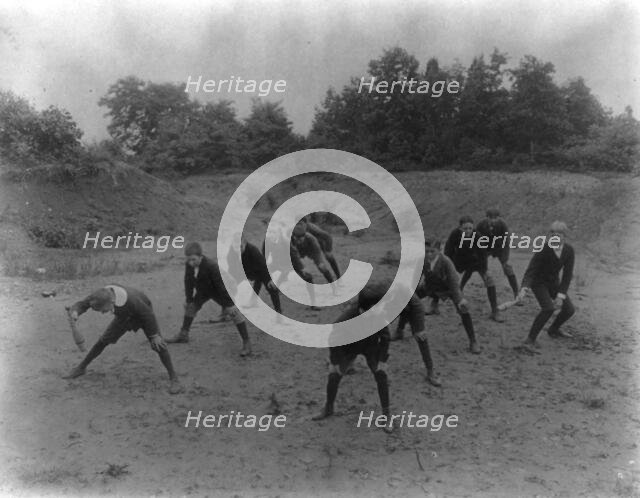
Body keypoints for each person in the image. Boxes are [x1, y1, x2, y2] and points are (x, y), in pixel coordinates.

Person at [62, 284, 183, 394]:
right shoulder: (100, 295)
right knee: (103, 341)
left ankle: (174, 378)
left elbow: (148, 315)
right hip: (123, 317)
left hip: (143, 317)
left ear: (112, 301)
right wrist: (75, 311)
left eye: (104, 310)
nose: (103, 313)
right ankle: (81, 368)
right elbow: (83, 304)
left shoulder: (132, 300)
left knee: (158, 345)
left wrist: (155, 335)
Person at [312, 284, 392, 431]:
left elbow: (386, 337)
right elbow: (334, 339)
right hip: (349, 347)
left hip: (371, 346)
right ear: (363, 309)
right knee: (334, 375)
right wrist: (335, 362)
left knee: (381, 375)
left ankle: (386, 416)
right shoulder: (344, 320)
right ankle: (329, 408)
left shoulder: (379, 313)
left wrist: (382, 361)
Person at [166, 242, 252, 356]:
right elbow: (188, 281)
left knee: (234, 312)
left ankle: (247, 342)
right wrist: (189, 300)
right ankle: (183, 334)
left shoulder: (212, 267)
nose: (191, 263)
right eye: (189, 260)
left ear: (201, 257)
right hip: (204, 288)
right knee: (191, 307)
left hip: (223, 288)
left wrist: (229, 304)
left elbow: (222, 287)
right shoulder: (189, 264)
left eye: (193, 259)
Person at [395, 238, 480, 354]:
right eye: (427, 251)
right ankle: (400, 331)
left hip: (448, 288)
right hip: (431, 287)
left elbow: (454, 283)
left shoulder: (446, 262)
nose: (429, 254)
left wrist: (460, 300)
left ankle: (473, 340)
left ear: (439, 251)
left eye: (432, 251)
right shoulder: (422, 260)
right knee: (408, 300)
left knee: (463, 309)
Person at [519, 221, 575, 351]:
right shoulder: (543, 248)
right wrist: (524, 288)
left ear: (565, 236)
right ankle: (530, 339)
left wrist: (560, 296)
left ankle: (553, 330)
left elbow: (567, 275)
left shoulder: (569, 251)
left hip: (553, 283)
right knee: (548, 308)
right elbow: (531, 271)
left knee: (569, 309)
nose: (556, 236)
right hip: (538, 283)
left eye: (560, 234)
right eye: (553, 233)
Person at [444, 215, 503, 322]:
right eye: (465, 228)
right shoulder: (454, 234)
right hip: (460, 261)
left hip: (476, 261)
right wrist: (449, 268)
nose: (468, 231)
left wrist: (486, 271)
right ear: (460, 228)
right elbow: (448, 252)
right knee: (445, 279)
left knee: (490, 281)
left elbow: (483, 255)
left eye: (470, 228)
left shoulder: (478, 236)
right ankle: (434, 305)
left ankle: (495, 311)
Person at [476, 208, 520, 301]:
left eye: (495, 218)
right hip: (486, 247)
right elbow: (475, 237)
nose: (492, 220)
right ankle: (485, 282)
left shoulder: (502, 224)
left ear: (499, 218)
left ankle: (516, 292)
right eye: (490, 218)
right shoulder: (481, 224)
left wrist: (505, 259)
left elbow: (506, 241)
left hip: (500, 247)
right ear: (486, 218)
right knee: (478, 264)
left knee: (507, 267)